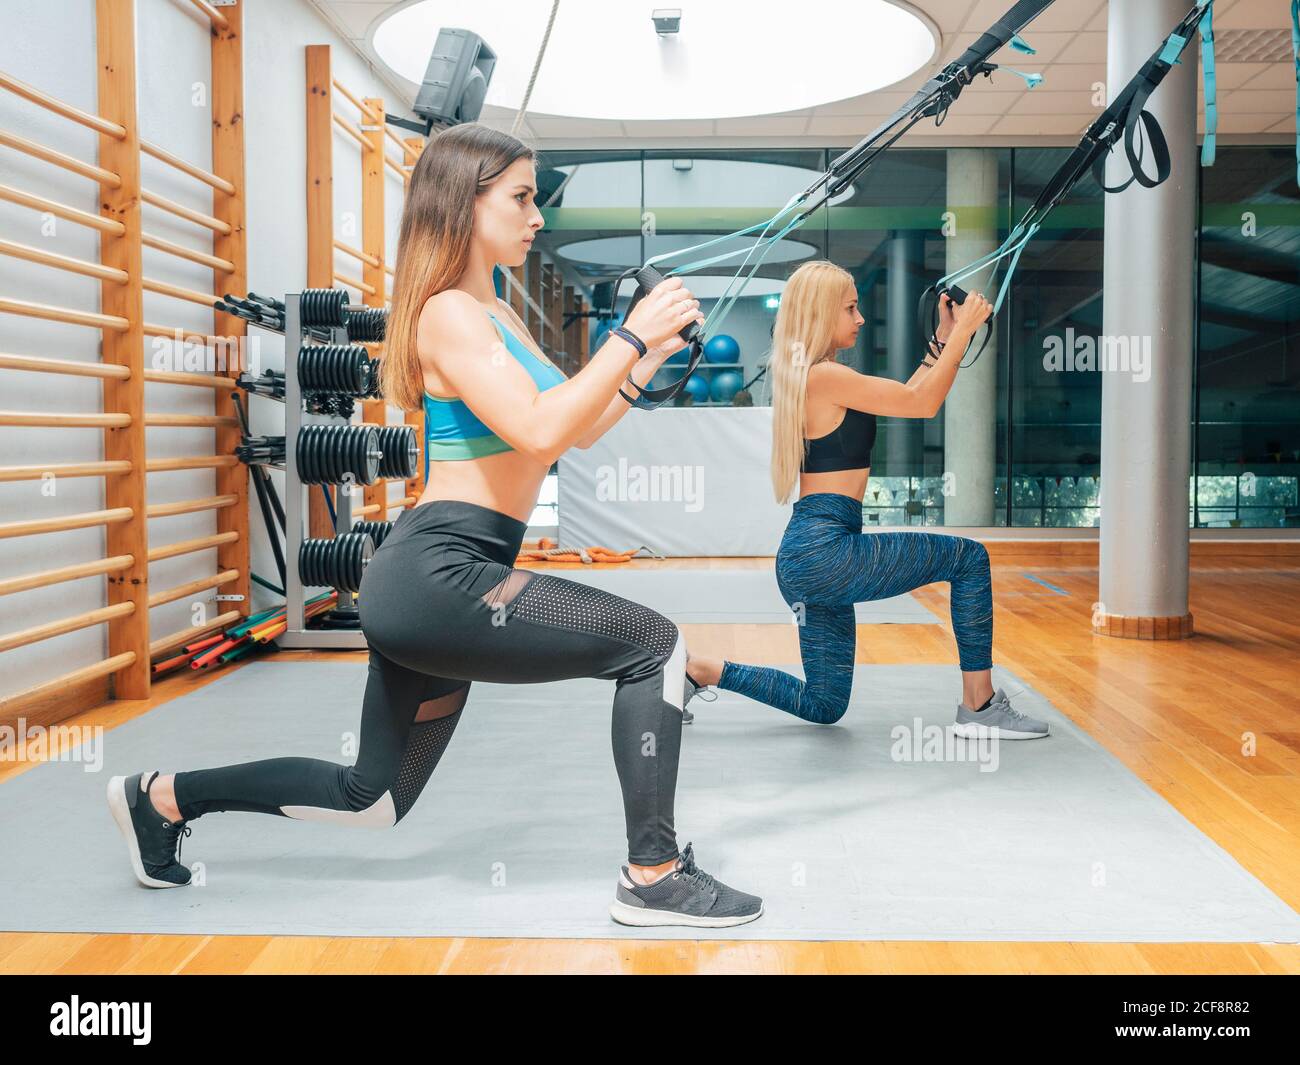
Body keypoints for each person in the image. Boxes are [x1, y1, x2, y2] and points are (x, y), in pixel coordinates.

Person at [107, 123, 763, 929]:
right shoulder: (449, 313)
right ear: (464, 202)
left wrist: (646, 360)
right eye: (520, 198)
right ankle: (653, 873)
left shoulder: (498, 315)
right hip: (444, 574)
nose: (537, 218)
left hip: (441, 578)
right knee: (654, 646)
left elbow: (577, 427)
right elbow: (539, 428)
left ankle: (162, 799)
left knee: (369, 799)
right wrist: (626, 336)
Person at [682, 260, 1049, 740]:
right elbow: (923, 404)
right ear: (820, 314)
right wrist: (965, 332)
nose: (859, 319)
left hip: (808, 561)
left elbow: (912, 392)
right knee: (969, 559)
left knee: (824, 703)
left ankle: (700, 671)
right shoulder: (824, 376)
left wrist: (943, 339)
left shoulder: (813, 376)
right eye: (851, 308)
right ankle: (979, 705)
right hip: (827, 553)